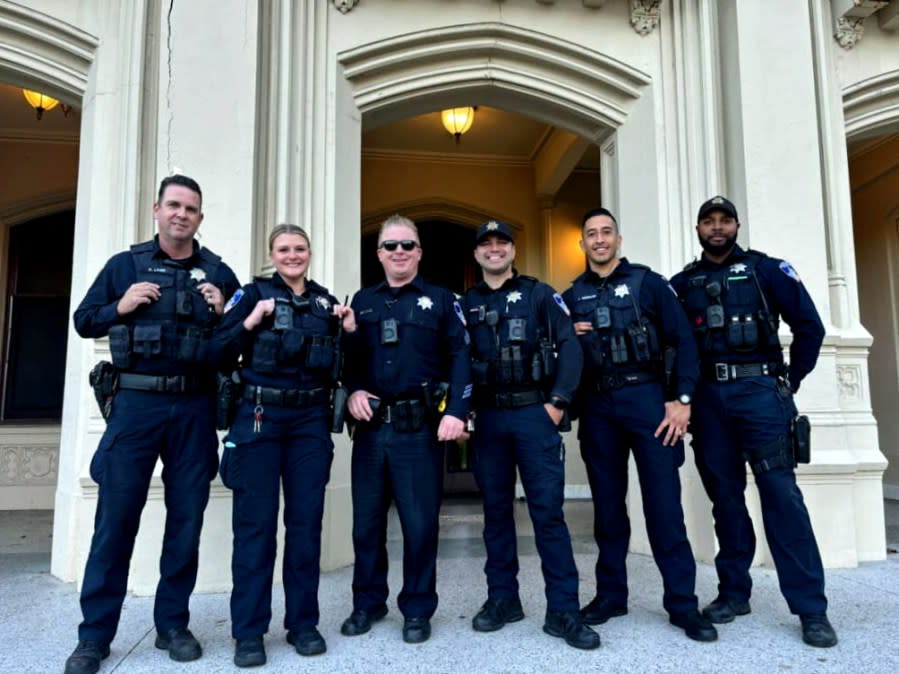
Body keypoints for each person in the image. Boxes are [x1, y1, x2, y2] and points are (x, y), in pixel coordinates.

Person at [64, 175, 240, 674]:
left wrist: (224, 311)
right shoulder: (125, 266)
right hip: (135, 406)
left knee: (186, 522)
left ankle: (172, 626)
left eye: (191, 208)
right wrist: (119, 306)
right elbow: (83, 320)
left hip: (194, 409)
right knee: (115, 522)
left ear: (200, 218)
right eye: (174, 206)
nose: (182, 214)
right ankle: (94, 636)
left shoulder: (219, 272)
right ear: (157, 210)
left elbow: (237, 344)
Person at [669, 195, 837, 648]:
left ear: (737, 226)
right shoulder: (683, 283)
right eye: (709, 221)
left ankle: (811, 609)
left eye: (725, 220)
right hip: (707, 400)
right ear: (698, 228)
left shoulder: (767, 270)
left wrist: (789, 382)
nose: (717, 228)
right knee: (725, 500)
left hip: (760, 395)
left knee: (781, 496)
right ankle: (733, 593)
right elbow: (669, 343)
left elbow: (809, 328)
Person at [561, 208, 717, 642]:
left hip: (649, 401)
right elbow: (557, 354)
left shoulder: (648, 284)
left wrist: (682, 401)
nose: (599, 240)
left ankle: (683, 604)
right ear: (583, 244)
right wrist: (569, 337)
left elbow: (684, 341)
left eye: (606, 232)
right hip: (597, 406)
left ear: (618, 239)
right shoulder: (571, 296)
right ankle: (611, 595)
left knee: (664, 507)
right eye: (591, 234)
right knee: (608, 509)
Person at [210, 224, 355, 667]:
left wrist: (347, 331)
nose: (292, 255)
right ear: (271, 254)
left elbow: (345, 364)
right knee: (255, 528)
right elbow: (216, 351)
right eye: (283, 249)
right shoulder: (251, 296)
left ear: (310, 253)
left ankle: (303, 624)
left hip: (310, 420)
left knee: (306, 525)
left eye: (300, 248)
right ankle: (249, 632)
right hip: (259, 418)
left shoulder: (326, 301)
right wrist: (250, 323)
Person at [461, 220, 599, 650]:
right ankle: (503, 600)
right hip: (488, 419)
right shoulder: (464, 303)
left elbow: (570, 346)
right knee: (496, 514)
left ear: (513, 250)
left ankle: (563, 610)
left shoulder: (541, 294)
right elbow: (453, 360)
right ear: (477, 254)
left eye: (502, 242)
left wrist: (557, 402)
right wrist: (460, 410)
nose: (495, 249)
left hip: (533, 414)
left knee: (548, 514)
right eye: (486, 244)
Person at [340, 214, 471, 644]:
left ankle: (417, 608)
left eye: (408, 246)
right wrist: (354, 388)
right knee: (366, 524)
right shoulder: (362, 302)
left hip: (419, 431)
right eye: (391, 246)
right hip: (373, 429)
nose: (400, 252)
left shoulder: (441, 299)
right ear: (379, 253)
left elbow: (460, 356)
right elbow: (348, 361)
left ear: (419, 251)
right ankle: (368, 602)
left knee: (420, 525)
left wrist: (457, 410)